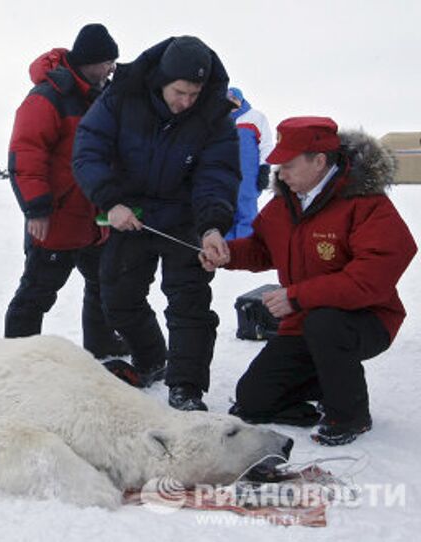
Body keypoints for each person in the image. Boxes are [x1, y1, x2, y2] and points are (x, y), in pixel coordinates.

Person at [201, 116, 416, 445]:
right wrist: (227, 254)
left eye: (288, 165)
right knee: (252, 401)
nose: (281, 175)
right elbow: (262, 248)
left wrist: (297, 296)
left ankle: (350, 415)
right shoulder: (285, 201)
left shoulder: (366, 204)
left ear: (319, 161)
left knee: (325, 324)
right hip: (304, 318)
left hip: (367, 320)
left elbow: (371, 277)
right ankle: (325, 381)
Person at [72, 36, 241, 410]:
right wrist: (110, 201)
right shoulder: (122, 96)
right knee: (116, 295)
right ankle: (151, 358)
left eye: (194, 93)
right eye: (180, 92)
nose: (187, 102)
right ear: (162, 80)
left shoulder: (213, 113)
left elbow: (217, 175)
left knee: (189, 304)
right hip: (133, 214)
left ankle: (186, 387)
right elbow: (89, 148)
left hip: (186, 217)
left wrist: (212, 226)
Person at [4, 23, 128, 360]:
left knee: (103, 285)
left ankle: (101, 344)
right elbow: (26, 154)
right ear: (91, 60)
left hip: (93, 218)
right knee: (37, 293)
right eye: (108, 62)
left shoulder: (101, 96)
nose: (112, 68)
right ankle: (18, 356)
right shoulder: (48, 96)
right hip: (55, 218)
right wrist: (37, 208)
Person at [225, 87, 274, 239]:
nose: (231, 103)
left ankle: (245, 249)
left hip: (248, 175)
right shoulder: (217, 120)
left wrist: (265, 169)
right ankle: (224, 251)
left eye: (234, 99)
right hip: (224, 173)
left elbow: (266, 144)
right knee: (224, 210)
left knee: (246, 210)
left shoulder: (255, 117)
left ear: (241, 100)